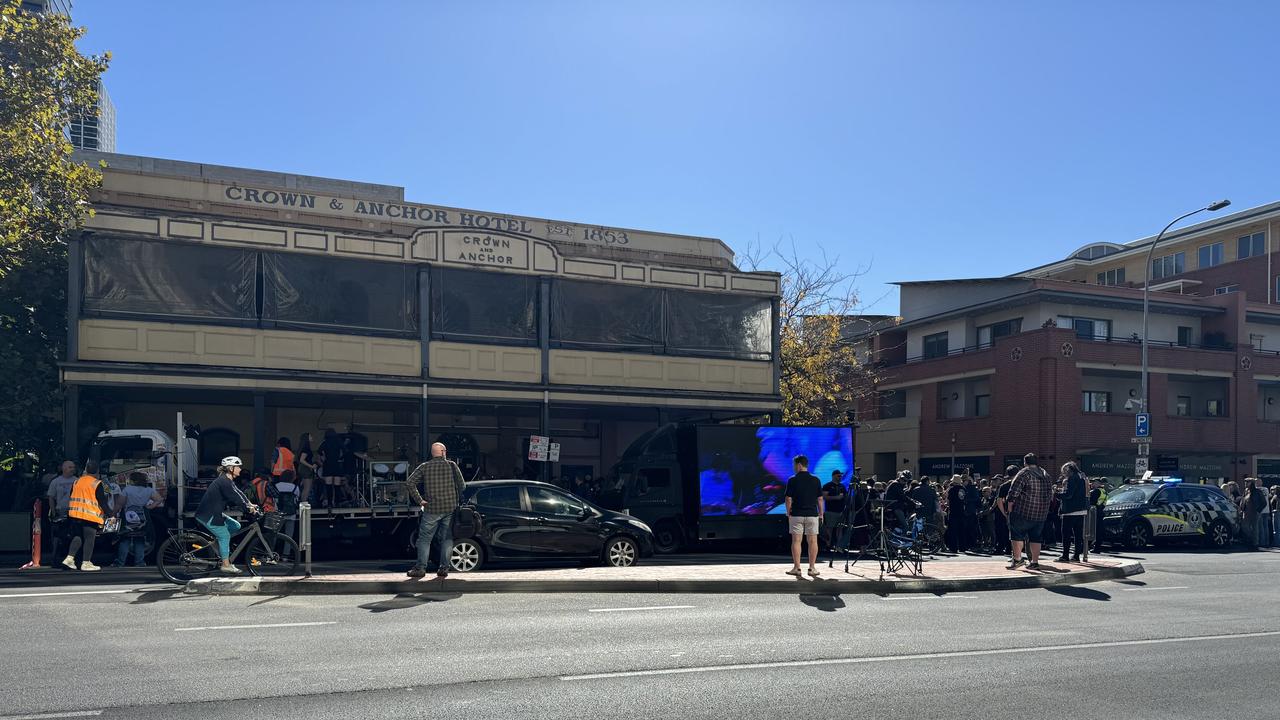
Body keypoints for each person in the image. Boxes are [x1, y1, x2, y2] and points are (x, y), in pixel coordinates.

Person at [405, 442, 466, 579]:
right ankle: (444, 568)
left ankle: (420, 569)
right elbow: (462, 486)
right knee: (447, 539)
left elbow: (409, 483)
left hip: (431, 509)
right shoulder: (452, 465)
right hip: (450, 508)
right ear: (443, 452)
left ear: (433, 453)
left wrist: (420, 500)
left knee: (424, 540)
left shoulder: (424, 466)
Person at [194, 456, 259, 575]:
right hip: (208, 515)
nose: (240, 469)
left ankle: (218, 545)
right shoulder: (223, 482)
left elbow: (239, 493)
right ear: (230, 468)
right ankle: (225, 565)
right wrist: (247, 509)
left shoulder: (228, 480)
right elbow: (235, 498)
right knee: (225, 536)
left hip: (214, 513)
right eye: (238, 466)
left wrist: (250, 504)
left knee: (236, 525)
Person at [1006, 453, 1052, 570]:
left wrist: (1010, 506)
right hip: (1041, 513)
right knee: (1036, 537)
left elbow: (1013, 492)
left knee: (1016, 536)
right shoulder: (1046, 474)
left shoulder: (1024, 473)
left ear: (1025, 462)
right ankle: (1035, 562)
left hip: (1023, 511)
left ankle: (1017, 560)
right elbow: (1050, 494)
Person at [62, 461, 111, 572]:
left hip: (75, 515)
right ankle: (86, 563)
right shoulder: (97, 483)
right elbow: (102, 501)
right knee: (89, 539)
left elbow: (71, 495)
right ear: (97, 471)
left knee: (77, 537)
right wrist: (110, 514)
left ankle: (69, 558)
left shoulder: (76, 482)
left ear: (86, 470)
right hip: (89, 516)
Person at [784, 454, 824, 577]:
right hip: (812, 514)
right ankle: (812, 568)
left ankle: (797, 568)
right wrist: (821, 514)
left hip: (796, 514)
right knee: (813, 541)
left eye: (794, 465)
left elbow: (788, 498)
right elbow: (820, 499)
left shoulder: (792, 479)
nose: (793, 467)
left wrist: (788, 512)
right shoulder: (816, 479)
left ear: (799, 465)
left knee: (796, 541)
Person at [113, 471, 161, 567]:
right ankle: (140, 562)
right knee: (139, 539)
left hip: (128, 516)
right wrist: (150, 507)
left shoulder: (127, 489)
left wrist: (113, 512)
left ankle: (120, 562)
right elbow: (159, 499)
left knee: (125, 539)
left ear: (133, 480)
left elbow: (119, 504)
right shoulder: (149, 490)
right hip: (142, 516)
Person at [45, 460, 78, 565]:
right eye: (70, 467)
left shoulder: (77, 481)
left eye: (73, 467)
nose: (72, 469)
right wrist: (53, 511)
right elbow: (51, 497)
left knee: (74, 535)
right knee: (57, 535)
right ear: (64, 469)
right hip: (60, 510)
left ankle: (72, 558)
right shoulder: (56, 481)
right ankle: (54, 557)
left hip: (74, 511)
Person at [1055, 461, 1088, 563]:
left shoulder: (1072, 478)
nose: (1064, 474)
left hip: (1070, 510)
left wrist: (1056, 493)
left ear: (1069, 469)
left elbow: (1069, 495)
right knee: (1078, 534)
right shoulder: (1082, 476)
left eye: (1064, 471)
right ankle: (1076, 556)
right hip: (1081, 510)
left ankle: (1065, 555)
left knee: (1066, 534)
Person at [821, 470, 848, 547]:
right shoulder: (828, 485)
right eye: (838, 476)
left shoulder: (842, 486)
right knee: (830, 528)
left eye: (841, 476)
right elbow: (824, 497)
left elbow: (845, 497)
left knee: (840, 529)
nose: (840, 477)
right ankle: (828, 545)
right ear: (833, 476)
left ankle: (839, 546)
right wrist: (837, 497)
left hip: (841, 511)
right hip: (830, 511)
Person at [272, 469, 302, 539]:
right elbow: (297, 498)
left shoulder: (276, 486)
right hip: (291, 514)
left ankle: (271, 549)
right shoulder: (295, 487)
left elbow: (273, 499)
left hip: (278, 513)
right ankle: (287, 550)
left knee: (273, 536)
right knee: (289, 538)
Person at [994, 468, 1016, 555]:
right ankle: (1013, 550)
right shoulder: (1022, 484)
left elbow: (999, 501)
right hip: (1019, 512)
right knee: (1016, 533)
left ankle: (1002, 548)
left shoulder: (1004, 486)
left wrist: (1004, 513)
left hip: (1006, 511)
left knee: (1002, 531)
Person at [1242, 478, 1267, 550]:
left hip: (1255, 512)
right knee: (1244, 527)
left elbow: (1264, 503)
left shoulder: (1257, 492)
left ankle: (1255, 543)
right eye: (1245, 482)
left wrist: (1258, 511)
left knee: (1255, 528)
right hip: (1246, 512)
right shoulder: (1246, 491)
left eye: (1247, 482)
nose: (1246, 484)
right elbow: (1243, 501)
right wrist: (1242, 509)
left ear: (1252, 483)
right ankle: (1250, 539)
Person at [945, 475, 966, 552]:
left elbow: (948, 501)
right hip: (961, 511)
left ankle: (953, 547)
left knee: (953, 530)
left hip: (953, 511)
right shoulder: (963, 489)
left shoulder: (951, 490)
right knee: (961, 530)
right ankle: (962, 547)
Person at [296, 432, 318, 506]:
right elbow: (302, 460)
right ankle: (304, 504)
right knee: (307, 488)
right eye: (310, 436)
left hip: (302, 469)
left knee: (305, 487)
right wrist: (311, 466)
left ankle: (302, 503)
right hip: (306, 469)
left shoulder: (303, 447)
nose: (312, 437)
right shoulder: (306, 448)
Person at [1088, 478, 1108, 552]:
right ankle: (1097, 547)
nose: (1092, 484)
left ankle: (1088, 546)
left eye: (1094, 483)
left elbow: (1090, 501)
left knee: (1092, 530)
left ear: (1099, 483)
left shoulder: (1096, 491)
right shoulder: (1104, 491)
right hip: (1100, 512)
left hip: (1094, 512)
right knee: (1099, 531)